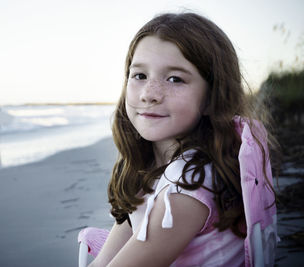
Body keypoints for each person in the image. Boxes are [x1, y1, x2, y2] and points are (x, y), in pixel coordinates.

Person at [89, 13, 278, 266]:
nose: (149, 94)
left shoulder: (188, 186)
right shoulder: (151, 167)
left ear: (212, 98)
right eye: (140, 76)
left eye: (175, 79)